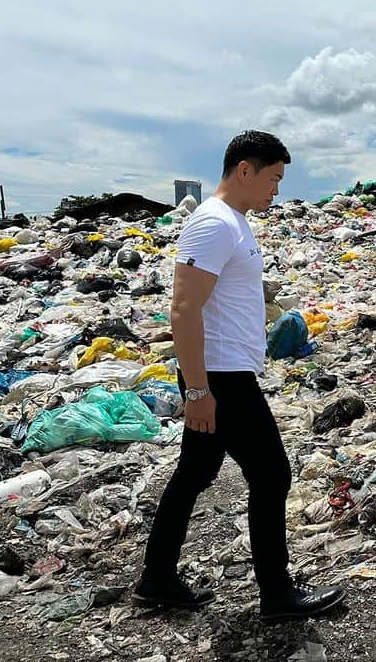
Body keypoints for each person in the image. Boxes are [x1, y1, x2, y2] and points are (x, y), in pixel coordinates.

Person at [134, 131, 345, 621]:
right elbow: (184, 309)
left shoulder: (233, 223)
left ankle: (156, 577)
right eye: (273, 178)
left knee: (196, 472)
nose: (277, 190)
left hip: (222, 373)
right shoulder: (214, 224)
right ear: (245, 170)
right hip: (221, 377)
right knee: (272, 475)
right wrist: (200, 390)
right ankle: (276, 593)